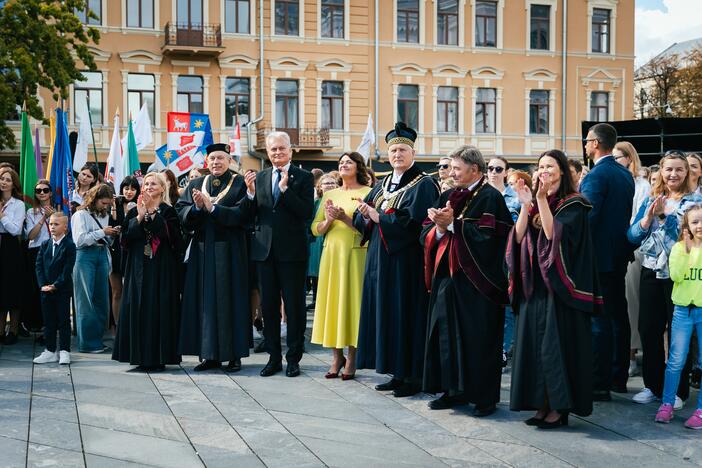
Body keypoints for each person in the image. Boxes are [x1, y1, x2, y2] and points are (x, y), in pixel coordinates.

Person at [507, 149, 601, 428]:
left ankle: (559, 409)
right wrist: (526, 205)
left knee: (554, 348)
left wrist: (538, 201)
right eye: (540, 166)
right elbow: (519, 236)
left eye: (550, 166)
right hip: (535, 284)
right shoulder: (538, 200)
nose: (544, 170)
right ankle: (541, 403)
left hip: (560, 289)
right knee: (534, 347)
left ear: (562, 171)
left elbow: (553, 236)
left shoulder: (575, 204)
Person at [421, 146, 513, 416]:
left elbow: (492, 237)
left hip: (477, 282)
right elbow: (426, 234)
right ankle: (451, 391)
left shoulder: (490, 197)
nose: (452, 173)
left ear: (474, 169)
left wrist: (452, 225)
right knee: (445, 334)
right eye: (451, 168)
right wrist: (438, 227)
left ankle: (484, 398)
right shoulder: (448, 194)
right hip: (446, 279)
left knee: (478, 338)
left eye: (457, 168)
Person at [354, 122, 440, 397]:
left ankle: (412, 375)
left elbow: (418, 224)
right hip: (379, 260)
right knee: (386, 314)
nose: (397, 155)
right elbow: (362, 218)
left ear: (413, 152)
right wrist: (365, 215)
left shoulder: (423, 184)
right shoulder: (381, 185)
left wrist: (382, 218)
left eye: (402, 149)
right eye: (393, 150)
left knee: (405, 314)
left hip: (406, 262)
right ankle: (394, 370)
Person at [628, 152, 702, 408]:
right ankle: (652, 386)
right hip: (651, 270)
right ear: (661, 171)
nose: (673, 175)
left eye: (679, 170)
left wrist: (662, 217)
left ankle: (677, 392)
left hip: (680, 275)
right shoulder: (651, 198)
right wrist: (647, 219)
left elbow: (686, 235)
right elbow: (632, 235)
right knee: (649, 328)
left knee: (678, 332)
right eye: (669, 169)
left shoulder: (695, 202)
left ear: (688, 172)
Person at [242, 132, 315, 378]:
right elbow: (253, 214)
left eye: (282, 149)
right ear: (267, 152)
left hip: (293, 252)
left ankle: (293, 358)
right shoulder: (261, 177)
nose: (277, 153)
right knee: (269, 306)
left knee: (294, 307)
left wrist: (285, 191)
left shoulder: (303, 178)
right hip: (265, 252)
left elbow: (306, 213)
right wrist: (250, 193)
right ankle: (273, 357)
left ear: (291, 151)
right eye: (273, 149)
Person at [177, 143, 252, 372]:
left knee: (231, 301)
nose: (216, 162)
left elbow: (244, 214)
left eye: (220, 158)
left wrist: (213, 209)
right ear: (206, 162)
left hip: (230, 251)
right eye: (212, 159)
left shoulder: (239, 183)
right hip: (203, 250)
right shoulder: (196, 183)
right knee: (205, 303)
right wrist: (198, 209)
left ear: (229, 160)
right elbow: (182, 213)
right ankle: (208, 355)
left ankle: (234, 355)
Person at [581, 123, 635, 400]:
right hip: (618, 254)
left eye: (587, 141)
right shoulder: (624, 174)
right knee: (618, 317)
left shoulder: (596, 176)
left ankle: (600, 382)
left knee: (600, 320)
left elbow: (587, 217)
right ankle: (618, 377)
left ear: (594, 143)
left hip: (599, 257)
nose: (586, 145)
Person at [113, 172, 183, 372]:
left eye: (154, 184)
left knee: (158, 309)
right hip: (137, 266)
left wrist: (153, 215)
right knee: (137, 307)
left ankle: (158, 357)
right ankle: (138, 356)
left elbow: (176, 241)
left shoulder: (169, 211)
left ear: (162, 188)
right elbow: (124, 240)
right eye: (147, 184)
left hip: (161, 268)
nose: (149, 187)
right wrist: (140, 217)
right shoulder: (133, 210)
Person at [311, 153, 372, 380]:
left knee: (352, 304)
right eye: (341, 162)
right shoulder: (330, 194)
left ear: (359, 167)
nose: (344, 165)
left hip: (356, 254)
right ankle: (336, 356)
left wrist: (345, 218)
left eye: (349, 162)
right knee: (333, 303)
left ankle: (353, 356)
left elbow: (370, 229)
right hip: (332, 254)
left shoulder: (367, 193)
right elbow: (315, 228)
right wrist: (328, 219)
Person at [654, 205, 702, 428]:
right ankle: (667, 404)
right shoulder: (679, 248)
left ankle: (700, 411)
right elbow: (676, 275)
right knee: (675, 361)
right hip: (682, 311)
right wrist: (688, 252)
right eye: (694, 222)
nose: (699, 225)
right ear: (687, 226)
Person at [613, 142, 651, 377]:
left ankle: (631, 354)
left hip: (634, 247)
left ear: (629, 158)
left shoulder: (641, 184)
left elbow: (638, 220)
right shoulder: (616, 179)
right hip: (616, 245)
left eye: (618, 158)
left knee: (632, 303)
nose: (614, 161)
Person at [72, 184, 118, 353]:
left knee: (101, 299)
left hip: (101, 254)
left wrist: (110, 234)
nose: (105, 206)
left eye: (107, 204)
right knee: (85, 300)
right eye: (103, 203)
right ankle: (87, 344)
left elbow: (105, 239)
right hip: (85, 256)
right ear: (94, 199)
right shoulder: (80, 215)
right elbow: (80, 240)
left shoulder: (104, 215)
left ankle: (97, 340)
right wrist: (102, 232)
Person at [486, 156, 520, 365]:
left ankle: (503, 349)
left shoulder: (515, 198)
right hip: (483, 257)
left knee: (506, 305)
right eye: (490, 168)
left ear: (506, 172)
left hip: (506, 257)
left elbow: (516, 229)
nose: (494, 172)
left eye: (498, 169)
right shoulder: (479, 195)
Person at [32, 212, 76, 365]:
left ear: (65, 227)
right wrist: (43, 285)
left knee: (63, 321)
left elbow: (67, 269)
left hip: (62, 290)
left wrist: (55, 285)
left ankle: (64, 351)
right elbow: (38, 266)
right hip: (45, 291)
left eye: (56, 224)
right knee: (48, 321)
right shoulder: (45, 244)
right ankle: (50, 351)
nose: (52, 227)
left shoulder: (70, 245)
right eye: (51, 224)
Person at [23, 180, 55, 335]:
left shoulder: (58, 210)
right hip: (36, 251)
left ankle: (48, 325)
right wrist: (43, 218)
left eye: (45, 190)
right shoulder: (31, 213)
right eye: (38, 190)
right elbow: (31, 235)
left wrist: (53, 216)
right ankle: (34, 323)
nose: (42, 193)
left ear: (50, 192)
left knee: (50, 288)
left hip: (53, 251)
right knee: (36, 287)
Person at [109, 176, 140, 329]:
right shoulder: (115, 203)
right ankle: (117, 326)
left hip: (132, 251)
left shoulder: (140, 205)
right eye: (126, 188)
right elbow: (112, 222)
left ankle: (131, 325)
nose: (129, 192)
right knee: (117, 292)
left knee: (132, 291)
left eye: (133, 188)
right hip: (115, 250)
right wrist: (114, 205)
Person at [0, 167, 26, 345]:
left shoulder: (19, 204)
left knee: (12, 288)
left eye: (8, 179)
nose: (3, 182)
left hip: (10, 247)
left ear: (13, 183)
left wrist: (2, 216)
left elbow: (16, 229)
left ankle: (14, 330)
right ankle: (0, 330)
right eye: (2, 178)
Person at [307, 174, 340, 311]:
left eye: (332, 183)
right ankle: (316, 299)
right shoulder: (316, 202)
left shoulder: (339, 199)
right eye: (326, 183)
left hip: (334, 238)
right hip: (318, 239)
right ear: (320, 186)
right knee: (317, 271)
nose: (330, 185)